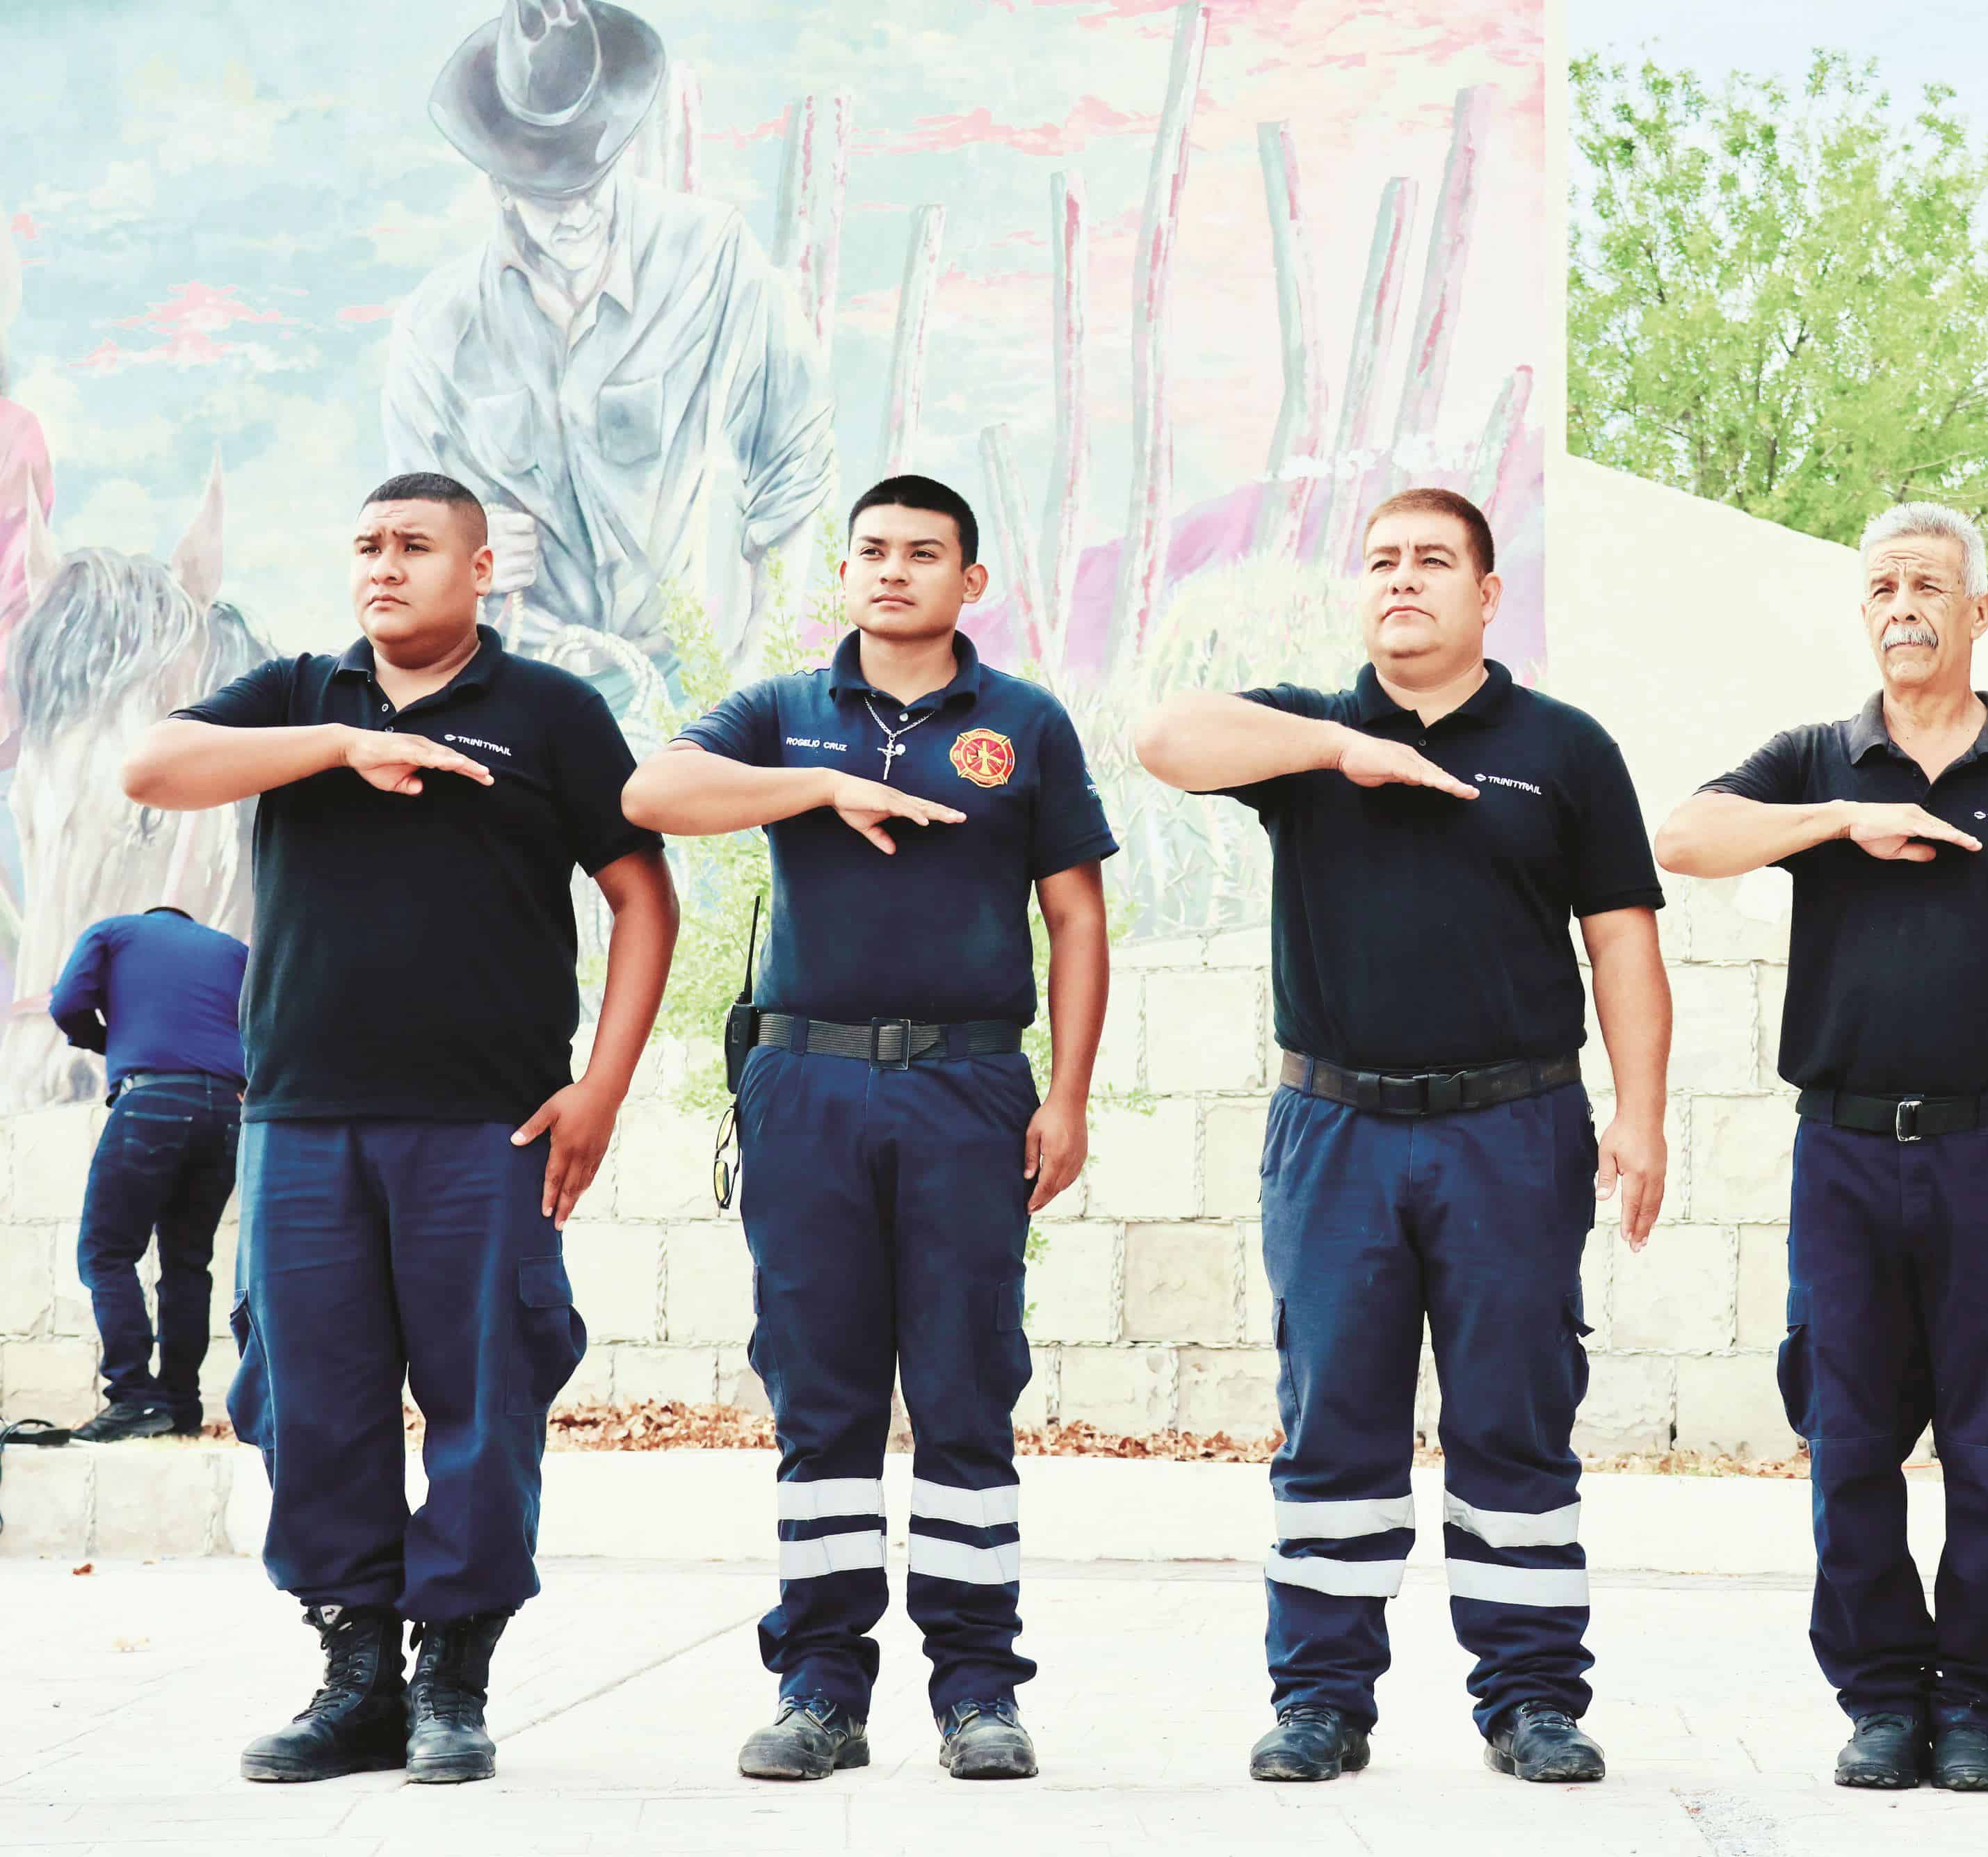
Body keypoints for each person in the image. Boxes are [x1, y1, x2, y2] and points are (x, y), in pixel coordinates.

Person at [120, 471, 678, 1786]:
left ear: (480, 570)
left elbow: (644, 897)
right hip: (303, 1118)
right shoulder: (299, 694)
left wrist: (600, 1087)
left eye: (416, 546)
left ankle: (454, 1680)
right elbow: (154, 763)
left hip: (485, 1125)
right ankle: (355, 1672)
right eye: (366, 543)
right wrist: (337, 746)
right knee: (312, 1403)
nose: (385, 565)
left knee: (486, 1399)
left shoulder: (552, 712)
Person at [1135, 485, 1672, 1787]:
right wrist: (1338, 755)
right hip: (1336, 1129)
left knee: (1516, 1416)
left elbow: (1622, 940)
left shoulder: (1564, 747)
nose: (1404, 580)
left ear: (1490, 595)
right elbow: (1163, 735)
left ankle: (1533, 1695)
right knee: (1335, 1418)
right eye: (1381, 561)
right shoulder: (1307, 730)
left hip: (1514, 1125)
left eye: (1435, 561)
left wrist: (1643, 1114)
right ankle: (1322, 1696)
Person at [622, 473, 1115, 1784]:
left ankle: (977, 1689)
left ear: (973, 582)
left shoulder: (1026, 722)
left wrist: (1063, 1094)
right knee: (822, 1394)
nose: (894, 570)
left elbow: (1075, 916)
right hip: (805, 1087)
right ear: (847, 572)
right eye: (873, 550)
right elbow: (653, 792)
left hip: (967, 1087)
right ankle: (821, 1687)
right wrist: (813, 792)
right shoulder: (784, 714)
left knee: (964, 1389)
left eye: (924, 552)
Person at [1655, 501, 1988, 1796]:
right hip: (1847, 1152)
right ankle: (1878, 1699)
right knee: (1850, 1436)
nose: (1903, 604)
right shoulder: (1818, 754)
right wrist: (1837, 821)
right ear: (1863, 613)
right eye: (1881, 586)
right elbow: (1683, 837)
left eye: (1929, 583)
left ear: (1981, 612)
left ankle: (1975, 1704)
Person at [385, 0, 835, 712]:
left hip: (682, 681)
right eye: (548, 192)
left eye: (590, 179)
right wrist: (459, 546)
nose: (578, 210)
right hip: (510, 688)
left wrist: (757, 664)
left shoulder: (709, 259)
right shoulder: (435, 331)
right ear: (500, 185)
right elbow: (402, 542)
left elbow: (794, 463)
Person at [49, 905, 249, 1442]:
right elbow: (268, 1021)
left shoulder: (114, 932)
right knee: (188, 1262)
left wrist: (105, 1041)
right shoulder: (233, 949)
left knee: (107, 1252)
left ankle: (135, 1397)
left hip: (154, 1099)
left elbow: (68, 1003)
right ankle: (180, 1404)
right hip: (230, 1112)